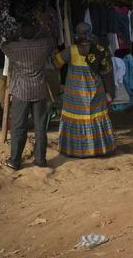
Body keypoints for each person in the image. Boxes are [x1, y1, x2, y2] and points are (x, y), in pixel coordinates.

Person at [50, 22, 117, 158]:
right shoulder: (100, 50)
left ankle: (76, 150)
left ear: (77, 36)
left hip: (75, 95)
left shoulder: (71, 50)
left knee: (75, 119)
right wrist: (109, 91)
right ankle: (96, 150)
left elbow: (55, 63)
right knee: (94, 118)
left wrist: (53, 50)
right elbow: (105, 72)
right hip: (96, 92)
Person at [1, 18, 56, 170]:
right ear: (35, 33)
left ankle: (15, 161)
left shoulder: (14, 47)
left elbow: (2, 45)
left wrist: (15, 34)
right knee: (40, 128)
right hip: (39, 89)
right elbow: (52, 40)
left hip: (21, 91)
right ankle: (40, 160)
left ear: (20, 33)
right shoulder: (43, 45)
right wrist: (42, 28)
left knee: (18, 127)